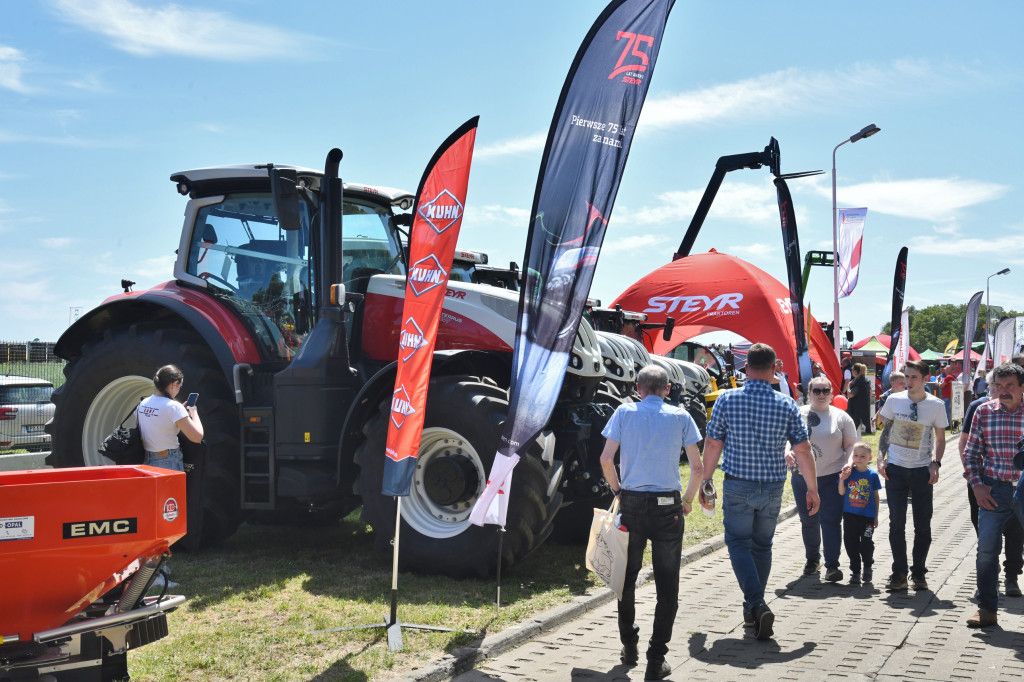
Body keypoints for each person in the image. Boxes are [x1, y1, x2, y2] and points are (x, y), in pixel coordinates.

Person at [700, 343, 818, 641]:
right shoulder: (786, 404)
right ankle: (753, 609)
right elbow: (803, 450)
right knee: (762, 546)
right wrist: (812, 488)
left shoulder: (727, 399)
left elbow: (713, 443)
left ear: (746, 367)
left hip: (739, 483)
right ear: (774, 368)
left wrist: (705, 478)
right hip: (772, 486)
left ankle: (756, 603)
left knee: (738, 543)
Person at [600, 364, 703, 680]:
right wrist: (687, 500)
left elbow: (606, 459)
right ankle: (656, 659)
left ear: (637, 388)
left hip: (631, 504)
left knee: (626, 577)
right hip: (668, 507)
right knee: (667, 585)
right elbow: (697, 467)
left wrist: (618, 490)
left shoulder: (624, 412)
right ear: (668, 389)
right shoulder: (681, 416)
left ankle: (629, 645)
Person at [878, 359, 949, 592]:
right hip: (896, 469)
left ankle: (918, 573)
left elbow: (940, 439)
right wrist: (880, 458)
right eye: (906, 376)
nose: (908, 382)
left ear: (925, 379)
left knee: (923, 525)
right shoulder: (894, 400)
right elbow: (886, 431)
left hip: (921, 471)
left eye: (914, 377)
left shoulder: (936, 405)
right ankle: (899, 574)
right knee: (896, 523)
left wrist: (935, 463)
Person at [962, 362, 1024, 628]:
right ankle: (987, 609)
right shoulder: (984, 411)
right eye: (999, 385)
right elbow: (971, 454)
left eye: (1010, 385)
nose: (1003, 390)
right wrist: (976, 485)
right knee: (986, 551)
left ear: (1022, 387)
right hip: (994, 489)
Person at [787, 375, 857, 581]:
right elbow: (786, 439)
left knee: (831, 521)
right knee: (808, 520)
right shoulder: (797, 414)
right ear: (809, 393)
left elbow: (851, 445)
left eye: (825, 390)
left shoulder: (841, 417)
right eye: (816, 390)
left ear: (832, 394)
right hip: (802, 477)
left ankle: (832, 565)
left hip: (832, 477)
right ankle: (812, 560)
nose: (821, 394)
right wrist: (787, 452)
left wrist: (849, 462)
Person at [138, 364, 204, 472]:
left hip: (147, 458)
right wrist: (194, 412)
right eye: (179, 386)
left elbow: (157, 421)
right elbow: (197, 437)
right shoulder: (174, 407)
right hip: (168, 461)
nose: (179, 389)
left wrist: (180, 412)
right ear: (174, 384)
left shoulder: (143, 403)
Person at [838, 443, 882, 585]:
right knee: (851, 544)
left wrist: (875, 516)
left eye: (863, 456)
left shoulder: (873, 475)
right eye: (856, 455)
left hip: (867, 517)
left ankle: (868, 565)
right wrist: (842, 479)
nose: (858, 458)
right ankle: (855, 572)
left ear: (870, 457)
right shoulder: (849, 473)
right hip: (850, 516)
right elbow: (841, 492)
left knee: (866, 543)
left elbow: (876, 496)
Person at [846, 363, 872, 435]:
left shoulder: (858, 382)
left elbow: (850, 395)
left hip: (855, 409)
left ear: (855, 371)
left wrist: (848, 386)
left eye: (852, 370)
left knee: (852, 428)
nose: (851, 371)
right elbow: (870, 393)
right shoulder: (866, 380)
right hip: (864, 407)